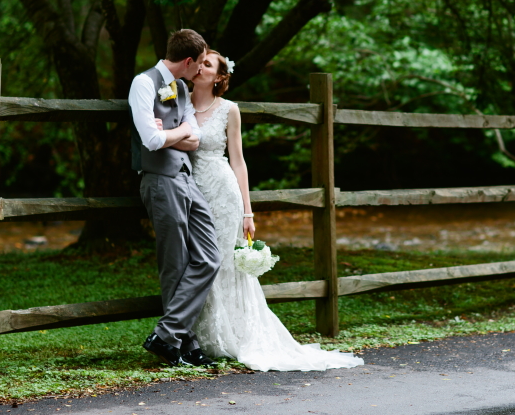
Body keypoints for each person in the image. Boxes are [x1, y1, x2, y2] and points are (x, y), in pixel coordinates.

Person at [162, 50, 364, 371]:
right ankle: (193, 337)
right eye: (200, 62)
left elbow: (238, 161)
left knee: (222, 260)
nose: (201, 67)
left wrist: (247, 211)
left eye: (209, 65)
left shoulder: (229, 110)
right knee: (193, 259)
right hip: (187, 191)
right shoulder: (178, 102)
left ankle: (230, 335)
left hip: (222, 191)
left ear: (219, 77)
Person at [129, 29, 220, 368]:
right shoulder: (144, 83)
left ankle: (167, 335)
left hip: (185, 177)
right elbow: (150, 141)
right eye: (199, 64)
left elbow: (194, 139)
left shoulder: (181, 87)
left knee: (209, 256)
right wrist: (173, 133)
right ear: (187, 61)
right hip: (159, 180)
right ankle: (184, 343)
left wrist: (171, 133)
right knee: (175, 263)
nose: (201, 70)